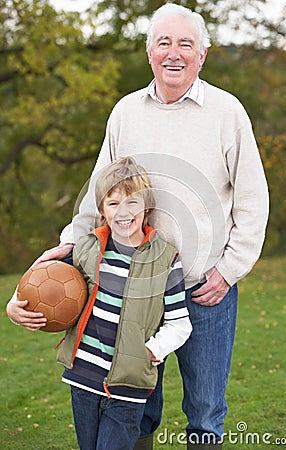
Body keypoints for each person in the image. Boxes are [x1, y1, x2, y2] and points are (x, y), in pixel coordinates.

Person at [7, 3, 269, 449]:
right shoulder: (127, 112)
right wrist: (67, 247)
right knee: (137, 407)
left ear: (202, 54)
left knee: (205, 411)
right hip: (133, 290)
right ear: (150, 53)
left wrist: (229, 271)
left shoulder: (227, 113)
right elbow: (98, 193)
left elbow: (253, 202)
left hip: (206, 291)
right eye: (164, 42)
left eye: (185, 43)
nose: (174, 52)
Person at [8, 156, 192, 450]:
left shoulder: (166, 260)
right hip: (83, 378)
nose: (123, 211)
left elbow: (179, 323)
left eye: (133, 202)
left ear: (147, 208)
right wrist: (13, 308)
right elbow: (42, 282)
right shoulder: (87, 249)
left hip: (128, 388)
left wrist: (149, 352)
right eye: (113, 203)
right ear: (102, 210)